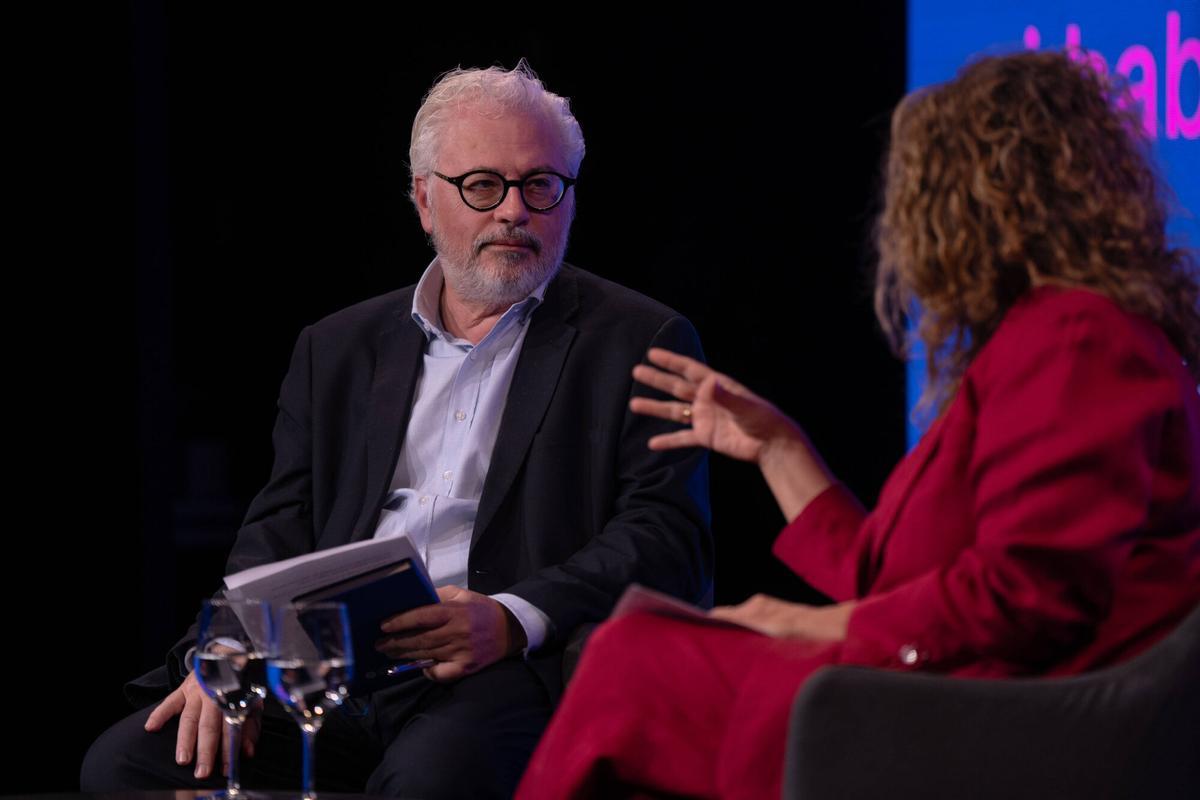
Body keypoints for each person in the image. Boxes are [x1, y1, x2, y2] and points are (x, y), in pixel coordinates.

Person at [514, 50, 1200, 800]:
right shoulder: (1047, 335)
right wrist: (776, 449)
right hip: (958, 682)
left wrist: (819, 626)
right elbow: (898, 586)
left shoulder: (1077, 337)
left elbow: (1027, 594)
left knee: (630, 660)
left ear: (981, 198)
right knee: (632, 646)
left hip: (1012, 712)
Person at [82, 61, 712, 799]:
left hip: (496, 670)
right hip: (330, 661)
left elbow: (668, 538)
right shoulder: (338, 347)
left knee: (426, 782)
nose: (515, 211)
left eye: (541, 185)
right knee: (126, 766)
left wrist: (511, 619)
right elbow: (278, 527)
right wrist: (225, 651)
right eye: (483, 186)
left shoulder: (639, 338)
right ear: (423, 199)